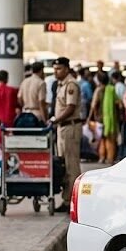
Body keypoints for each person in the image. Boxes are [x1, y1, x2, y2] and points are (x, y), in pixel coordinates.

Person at [51, 57, 82, 212]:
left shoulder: (71, 84)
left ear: (67, 69)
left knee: (71, 165)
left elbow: (70, 107)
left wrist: (55, 120)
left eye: (59, 69)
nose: (56, 71)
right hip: (62, 128)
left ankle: (71, 200)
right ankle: (67, 198)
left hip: (70, 127)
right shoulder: (60, 85)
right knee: (63, 164)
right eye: (55, 69)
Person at [90, 70, 121, 163]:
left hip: (99, 117)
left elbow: (94, 105)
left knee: (102, 138)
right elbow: (118, 103)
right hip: (110, 118)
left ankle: (102, 156)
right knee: (110, 139)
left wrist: (92, 117)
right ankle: (110, 158)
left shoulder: (98, 90)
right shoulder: (111, 89)